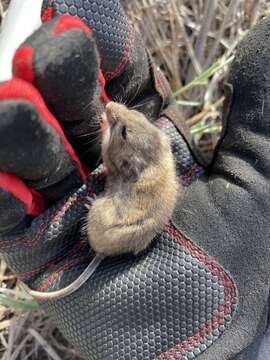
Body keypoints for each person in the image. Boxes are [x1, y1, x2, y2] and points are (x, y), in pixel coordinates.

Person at [0, 1, 270, 359]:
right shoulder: (136, 160)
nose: (112, 111)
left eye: (121, 127)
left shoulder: (132, 168)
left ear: (127, 166)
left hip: (111, 233)